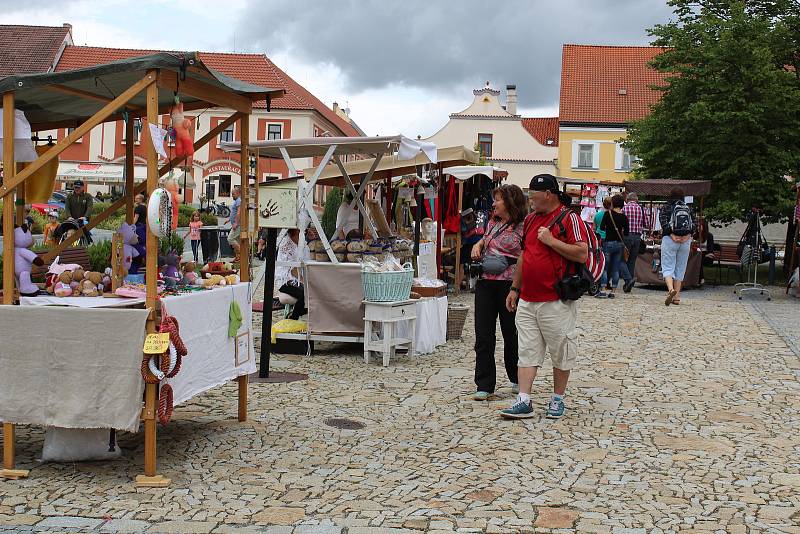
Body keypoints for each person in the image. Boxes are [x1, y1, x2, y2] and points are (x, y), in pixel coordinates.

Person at [500, 174, 588, 420]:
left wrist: (550, 241)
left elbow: (582, 254)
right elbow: (524, 257)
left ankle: (557, 398)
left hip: (556, 299)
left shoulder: (570, 219)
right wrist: (515, 288)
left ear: (548, 194)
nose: (530, 198)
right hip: (528, 298)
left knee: (561, 349)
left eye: (533, 194)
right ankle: (524, 399)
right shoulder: (529, 220)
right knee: (527, 349)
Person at [469, 184, 526, 400]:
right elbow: (486, 238)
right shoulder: (492, 222)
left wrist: (517, 287)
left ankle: (515, 377)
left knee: (510, 334)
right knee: (483, 335)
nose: (493, 204)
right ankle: (484, 384)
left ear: (510, 202)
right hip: (486, 283)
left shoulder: (523, 226)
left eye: (498, 200)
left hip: (509, 285)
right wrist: (479, 243)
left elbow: (525, 255)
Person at [660, 187, 695, 306]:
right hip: (685, 240)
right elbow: (694, 224)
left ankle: (670, 290)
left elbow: (663, 222)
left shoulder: (666, 207)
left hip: (669, 239)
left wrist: (671, 234)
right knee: (681, 267)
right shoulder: (688, 207)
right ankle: (677, 297)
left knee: (668, 266)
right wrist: (687, 236)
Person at [598, 194, 630, 299]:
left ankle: (602, 290)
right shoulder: (624, 217)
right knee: (616, 269)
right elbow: (627, 233)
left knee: (605, 268)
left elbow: (602, 228)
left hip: (608, 242)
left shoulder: (608, 214)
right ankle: (613, 291)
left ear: (613, 203)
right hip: (619, 244)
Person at [273, 228, 307, 319]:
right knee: (306, 293)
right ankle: (293, 318)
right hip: (286, 281)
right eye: (299, 233)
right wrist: (306, 282)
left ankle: (296, 316)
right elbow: (293, 270)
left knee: (309, 293)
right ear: (293, 234)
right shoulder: (286, 245)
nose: (302, 236)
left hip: (297, 279)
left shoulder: (301, 244)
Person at [621, 192, 646, 292]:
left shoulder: (624, 208)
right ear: (636, 199)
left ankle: (628, 280)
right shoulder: (641, 209)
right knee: (632, 260)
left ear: (628, 199)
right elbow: (646, 223)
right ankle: (629, 283)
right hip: (637, 237)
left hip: (626, 236)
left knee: (623, 259)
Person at [226, 186, 242, 261]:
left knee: (230, 239)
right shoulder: (237, 201)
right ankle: (238, 257)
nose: (232, 195)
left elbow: (239, 212)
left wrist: (235, 223)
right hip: (236, 224)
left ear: (238, 193)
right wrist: (229, 219)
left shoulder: (239, 200)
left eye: (233, 194)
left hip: (237, 225)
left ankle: (243, 254)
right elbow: (234, 213)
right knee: (237, 241)